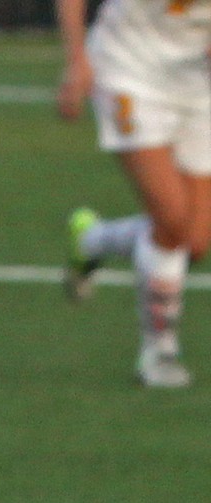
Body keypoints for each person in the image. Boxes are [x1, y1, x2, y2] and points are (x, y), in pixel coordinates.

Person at [56, 0, 211, 388]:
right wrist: (77, 60)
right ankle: (159, 354)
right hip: (128, 71)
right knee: (173, 222)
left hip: (195, 83)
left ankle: (92, 240)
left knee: (194, 241)